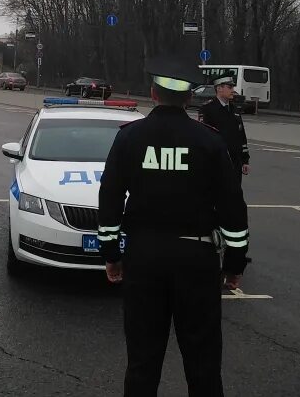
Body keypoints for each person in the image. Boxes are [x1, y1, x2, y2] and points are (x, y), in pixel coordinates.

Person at [98, 54, 249, 397]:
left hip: (144, 257)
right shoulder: (209, 141)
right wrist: (236, 261)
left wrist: (110, 253)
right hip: (196, 258)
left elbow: (109, 198)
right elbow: (232, 206)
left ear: (152, 93)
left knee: (142, 362)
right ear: (188, 98)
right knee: (203, 363)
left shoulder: (129, 138)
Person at [198, 76, 250, 175]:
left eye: (233, 87)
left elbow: (241, 135)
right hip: (216, 161)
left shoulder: (234, 109)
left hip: (235, 162)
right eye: (229, 87)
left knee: (235, 189)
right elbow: (203, 136)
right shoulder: (208, 109)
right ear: (219, 88)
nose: (233, 90)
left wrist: (245, 160)